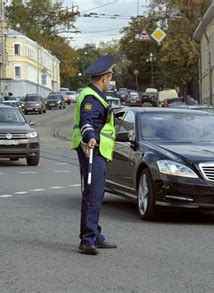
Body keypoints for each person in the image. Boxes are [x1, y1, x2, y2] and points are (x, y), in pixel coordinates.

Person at [71, 55, 117, 255]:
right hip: (91, 149)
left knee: (94, 193)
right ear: (104, 78)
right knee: (92, 195)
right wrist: (90, 137)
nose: (110, 81)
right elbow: (87, 121)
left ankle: (94, 235)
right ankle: (87, 239)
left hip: (97, 150)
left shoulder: (95, 95)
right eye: (110, 77)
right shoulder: (91, 97)